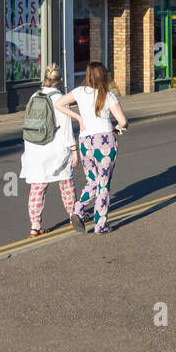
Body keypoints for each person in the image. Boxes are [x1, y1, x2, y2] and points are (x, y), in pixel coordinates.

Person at [52, 62, 128, 234]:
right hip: (105, 141)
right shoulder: (108, 96)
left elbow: (58, 104)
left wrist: (78, 118)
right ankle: (100, 225)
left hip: (86, 141)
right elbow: (122, 121)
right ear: (104, 76)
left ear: (88, 76)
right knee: (103, 184)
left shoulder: (79, 92)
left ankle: (78, 209)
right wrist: (119, 129)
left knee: (92, 180)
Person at [19, 64, 78, 237]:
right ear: (60, 81)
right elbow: (66, 127)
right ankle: (72, 215)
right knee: (66, 182)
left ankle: (35, 225)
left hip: (34, 148)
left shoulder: (34, 96)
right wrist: (74, 149)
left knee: (38, 187)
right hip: (55, 146)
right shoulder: (61, 98)